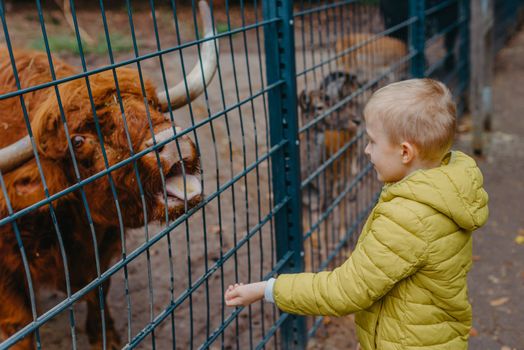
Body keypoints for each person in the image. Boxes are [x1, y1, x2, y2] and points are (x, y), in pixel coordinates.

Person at [224, 78, 489, 350]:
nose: (366, 149)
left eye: (373, 142)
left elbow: (345, 291)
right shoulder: (445, 190)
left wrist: (267, 289)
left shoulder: (408, 217)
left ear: (405, 152)